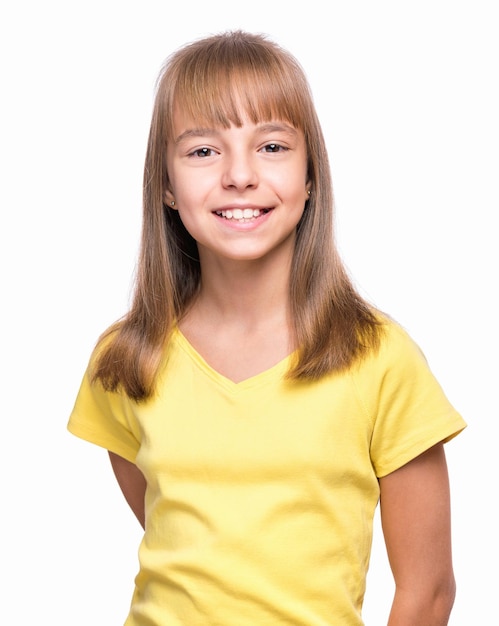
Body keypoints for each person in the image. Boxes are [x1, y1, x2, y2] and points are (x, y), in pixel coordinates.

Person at [67, 30, 466, 626]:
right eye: (203, 151)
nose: (239, 175)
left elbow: (427, 593)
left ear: (311, 178)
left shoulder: (379, 358)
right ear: (168, 188)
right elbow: (179, 529)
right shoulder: (127, 358)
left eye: (271, 146)